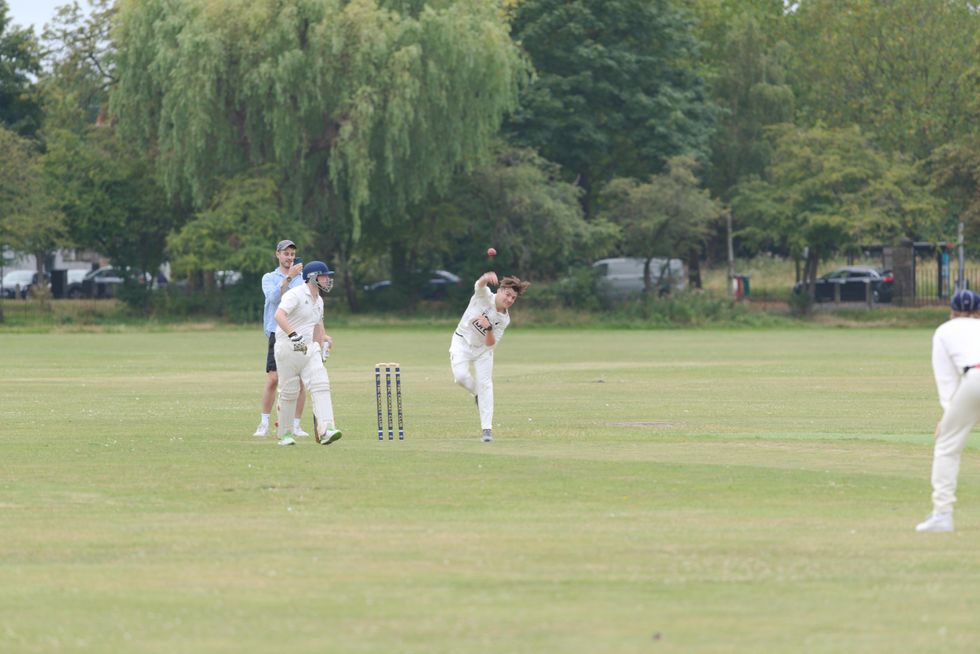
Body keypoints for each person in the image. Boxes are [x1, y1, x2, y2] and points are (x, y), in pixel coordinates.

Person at [916, 289, 980, 533]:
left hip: (975, 376)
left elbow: (947, 381)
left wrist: (947, 418)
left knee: (947, 446)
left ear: (952, 312)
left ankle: (942, 514)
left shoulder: (944, 330)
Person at [450, 271, 530, 442]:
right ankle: (478, 394)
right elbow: (479, 284)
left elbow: (490, 344)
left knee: (486, 385)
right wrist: (486, 277)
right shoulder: (484, 295)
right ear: (499, 291)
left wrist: (488, 328)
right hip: (461, 341)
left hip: (483, 351)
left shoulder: (504, 319)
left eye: (513, 298)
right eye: (507, 294)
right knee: (460, 377)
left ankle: (487, 429)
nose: (509, 299)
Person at [273, 260, 343, 447]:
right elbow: (279, 315)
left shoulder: (319, 300)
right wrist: (293, 335)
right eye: (324, 276)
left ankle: (327, 429)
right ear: (312, 277)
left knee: (321, 383)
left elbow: (318, 326)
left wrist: (323, 343)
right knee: (289, 391)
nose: (327, 279)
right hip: (287, 348)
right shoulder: (295, 294)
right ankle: (285, 434)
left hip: (309, 349)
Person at [253, 240, 308, 438]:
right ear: (278, 254)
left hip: (298, 332)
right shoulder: (269, 278)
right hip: (276, 332)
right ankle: (264, 424)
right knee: (273, 379)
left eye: (292, 254)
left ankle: (296, 425)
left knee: (299, 381)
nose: (289, 257)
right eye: (286, 253)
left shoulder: (303, 278)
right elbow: (273, 299)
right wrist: (288, 278)